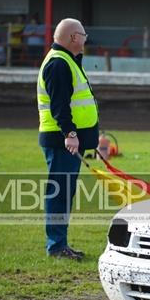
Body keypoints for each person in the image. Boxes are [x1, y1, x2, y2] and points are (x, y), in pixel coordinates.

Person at [38, 18, 100, 260]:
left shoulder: (67, 61)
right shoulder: (59, 63)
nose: (85, 40)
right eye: (83, 35)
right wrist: (71, 134)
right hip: (62, 141)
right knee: (60, 193)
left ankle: (60, 244)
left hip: (67, 141)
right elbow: (60, 106)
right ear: (74, 37)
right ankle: (56, 247)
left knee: (64, 193)